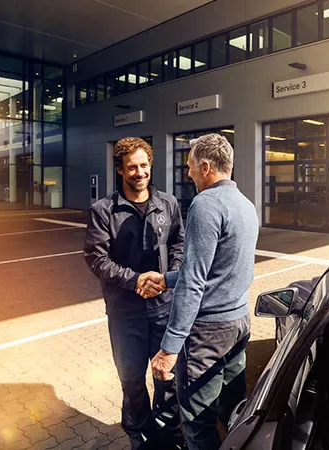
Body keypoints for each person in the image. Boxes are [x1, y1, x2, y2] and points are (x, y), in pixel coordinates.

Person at [141, 133, 259, 450]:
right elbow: (220, 269)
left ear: (205, 166)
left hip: (208, 334)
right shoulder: (246, 205)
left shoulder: (205, 204)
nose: (188, 173)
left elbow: (195, 280)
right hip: (238, 325)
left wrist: (169, 347)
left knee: (197, 424)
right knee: (233, 412)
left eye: (190, 166)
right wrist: (165, 278)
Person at [83, 137, 185, 450]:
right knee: (131, 380)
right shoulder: (103, 211)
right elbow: (96, 258)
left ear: (150, 166)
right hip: (125, 311)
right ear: (120, 170)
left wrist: (167, 278)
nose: (138, 172)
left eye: (143, 165)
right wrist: (136, 279)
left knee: (166, 376)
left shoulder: (168, 204)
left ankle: (168, 435)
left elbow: (180, 243)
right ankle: (139, 435)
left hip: (163, 308)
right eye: (131, 167)